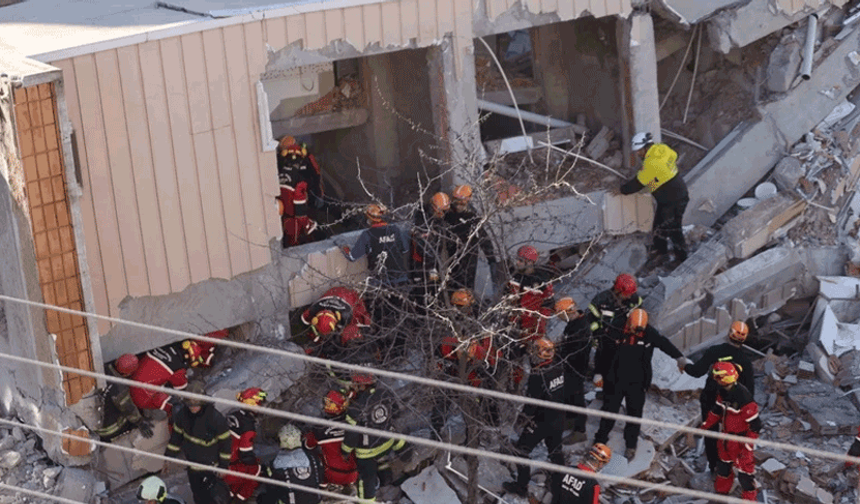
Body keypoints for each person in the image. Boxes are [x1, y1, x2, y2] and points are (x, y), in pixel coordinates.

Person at [593, 309, 686, 461]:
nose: (636, 333)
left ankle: (630, 445)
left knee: (634, 415)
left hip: (637, 382)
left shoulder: (649, 333)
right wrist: (598, 373)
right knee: (609, 411)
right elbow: (602, 352)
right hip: (614, 380)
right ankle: (600, 439)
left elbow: (663, 343)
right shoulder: (615, 329)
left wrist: (678, 357)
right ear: (628, 323)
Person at [682, 321, 755, 473]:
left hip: (710, 397)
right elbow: (749, 391)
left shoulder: (715, 351)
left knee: (710, 432)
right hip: (731, 403)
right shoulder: (746, 362)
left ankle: (713, 466)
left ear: (730, 334)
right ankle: (727, 465)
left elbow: (697, 371)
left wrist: (684, 365)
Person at [502, 338, 566, 499]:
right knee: (556, 452)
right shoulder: (558, 366)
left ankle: (521, 486)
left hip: (541, 421)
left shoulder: (537, 376)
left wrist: (520, 421)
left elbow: (531, 405)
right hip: (559, 417)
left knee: (520, 450)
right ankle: (561, 485)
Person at [620, 132, 689, 264]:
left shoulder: (651, 163)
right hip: (672, 195)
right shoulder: (661, 148)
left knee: (674, 229)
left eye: (639, 151)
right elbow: (674, 156)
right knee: (658, 226)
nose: (638, 154)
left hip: (674, 200)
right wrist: (658, 179)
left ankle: (683, 260)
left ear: (646, 147)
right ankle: (661, 252)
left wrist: (621, 190)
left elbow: (636, 184)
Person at [340, 374, 411, 501]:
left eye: (355, 383)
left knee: (366, 480)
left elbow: (351, 434)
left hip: (367, 452)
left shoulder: (356, 407)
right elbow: (396, 413)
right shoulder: (385, 394)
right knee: (397, 441)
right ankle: (403, 467)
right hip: (388, 443)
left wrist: (345, 451)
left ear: (360, 385)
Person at [701, 362, 762, 501]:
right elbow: (716, 412)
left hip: (740, 441)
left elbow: (756, 426)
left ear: (727, 378)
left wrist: (747, 447)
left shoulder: (743, 398)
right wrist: (704, 427)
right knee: (723, 469)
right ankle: (721, 496)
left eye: (718, 377)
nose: (715, 380)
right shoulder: (723, 392)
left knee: (745, 477)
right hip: (726, 439)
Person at [164, 380, 231, 504]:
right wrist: (168, 457)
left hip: (211, 468)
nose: (193, 407)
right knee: (198, 496)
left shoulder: (215, 419)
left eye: (196, 404)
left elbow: (225, 444)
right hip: (193, 467)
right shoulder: (182, 416)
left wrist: (223, 467)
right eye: (190, 404)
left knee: (214, 497)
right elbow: (176, 438)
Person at [588, 273, 642, 387]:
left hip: (624, 336)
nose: (628, 297)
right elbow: (590, 323)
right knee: (604, 357)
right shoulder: (601, 301)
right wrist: (597, 335)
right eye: (626, 294)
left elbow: (639, 313)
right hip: (605, 337)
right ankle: (600, 377)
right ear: (618, 290)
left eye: (630, 294)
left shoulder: (634, 299)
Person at [444, 185, 500, 291]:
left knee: (465, 290)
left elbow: (484, 239)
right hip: (449, 257)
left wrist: (491, 259)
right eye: (456, 200)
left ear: (468, 200)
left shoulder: (472, 218)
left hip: (468, 260)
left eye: (461, 201)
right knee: (449, 288)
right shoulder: (446, 214)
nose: (458, 204)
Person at [302, 391, 358, 491]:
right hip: (354, 474)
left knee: (313, 455)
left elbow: (307, 445)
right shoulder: (354, 423)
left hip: (332, 475)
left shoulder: (320, 429)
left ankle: (322, 485)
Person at [130, 340, 202, 415]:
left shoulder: (167, 344)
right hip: (143, 397)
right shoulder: (177, 368)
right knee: (176, 405)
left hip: (133, 378)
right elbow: (181, 388)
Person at [257, 424, 324, 504]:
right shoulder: (312, 458)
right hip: (315, 501)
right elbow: (320, 479)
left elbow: (272, 492)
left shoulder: (275, 464)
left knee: (262, 496)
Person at [276, 136, 324, 248]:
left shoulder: (283, 165)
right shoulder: (284, 164)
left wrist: (317, 193)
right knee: (295, 237)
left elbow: (315, 174)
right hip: (295, 209)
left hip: (292, 206)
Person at [555, 298, 591, 445]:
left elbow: (573, 351)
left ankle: (580, 431)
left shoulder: (581, 328)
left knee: (577, 397)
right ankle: (570, 419)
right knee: (569, 394)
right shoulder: (574, 324)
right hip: (571, 366)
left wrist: (558, 354)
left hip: (577, 367)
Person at [299, 286, 371, 359]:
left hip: (351, 299)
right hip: (336, 294)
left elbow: (362, 317)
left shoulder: (348, 315)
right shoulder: (311, 312)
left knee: (349, 335)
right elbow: (305, 319)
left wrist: (364, 328)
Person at [96, 354, 154, 441]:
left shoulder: (105, 368)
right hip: (108, 429)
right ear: (128, 374)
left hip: (96, 420)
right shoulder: (120, 389)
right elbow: (129, 409)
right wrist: (141, 422)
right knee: (134, 420)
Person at [506, 245, 556, 345]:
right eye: (517, 260)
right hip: (514, 327)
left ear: (529, 262)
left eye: (520, 260)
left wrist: (539, 327)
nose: (517, 263)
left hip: (532, 330)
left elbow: (549, 304)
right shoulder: (514, 277)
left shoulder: (541, 280)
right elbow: (507, 299)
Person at [225, 388, 268, 502]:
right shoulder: (247, 425)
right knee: (256, 471)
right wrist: (261, 467)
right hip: (228, 467)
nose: (262, 406)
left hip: (222, 460)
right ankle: (239, 500)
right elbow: (246, 454)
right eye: (260, 402)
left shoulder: (234, 415)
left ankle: (231, 494)